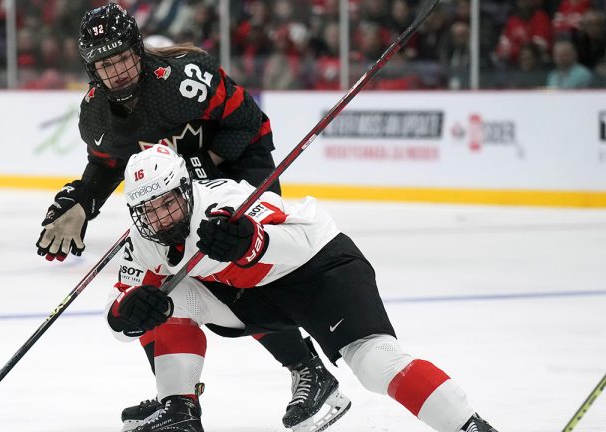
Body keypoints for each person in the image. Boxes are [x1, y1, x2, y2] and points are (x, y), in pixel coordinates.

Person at [34, 3, 344, 431]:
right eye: (105, 63)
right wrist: (83, 202)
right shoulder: (95, 114)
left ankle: (310, 370)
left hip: (238, 169)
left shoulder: (184, 79)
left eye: (123, 56)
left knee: (237, 270)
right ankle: (176, 398)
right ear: (91, 70)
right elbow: (108, 164)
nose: (118, 70)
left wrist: (204, 166)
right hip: (178, 187)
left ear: (137, 50)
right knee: (149, 280)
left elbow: (251, 124)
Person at [106, 145, 500, 432]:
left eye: (167, 204)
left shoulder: (223, 201)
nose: (160, 218)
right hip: (257, 296)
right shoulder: (143, 241)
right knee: (163, 300)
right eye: (148, 210)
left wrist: (250, 242)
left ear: (185, 189)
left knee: (376, 365)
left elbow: (295, 242)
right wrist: (127, 313)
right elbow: (118, 308)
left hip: (321, 271)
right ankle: (180, 409)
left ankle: (470, 427)